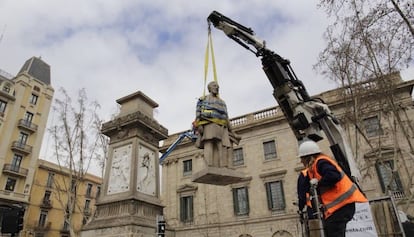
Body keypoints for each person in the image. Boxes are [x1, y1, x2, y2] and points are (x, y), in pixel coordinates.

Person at [297, 140, 367, 237]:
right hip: (339, 207)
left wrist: (318, 184)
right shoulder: (313, 168)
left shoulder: (321, 162)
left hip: (342, 206)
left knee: (334, 232)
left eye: (302, 158)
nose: (301, 161)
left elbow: (333, 176)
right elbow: (304, 191)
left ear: (308, 157)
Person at [193, 81, 240, 168]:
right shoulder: (203, 99)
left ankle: (223, 165)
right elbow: (198, 113)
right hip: (209, 124)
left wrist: (232, 131)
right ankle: (209, 164)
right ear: (209, 88)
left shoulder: (222, 102)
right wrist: (199, 125)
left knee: (222, 145)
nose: (217, 88)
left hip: (221, 126)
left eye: (218, 87)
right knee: (209, 143)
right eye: (214, 86)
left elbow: (226, 117)